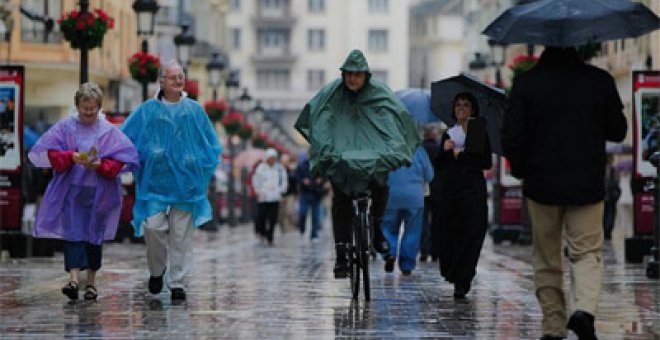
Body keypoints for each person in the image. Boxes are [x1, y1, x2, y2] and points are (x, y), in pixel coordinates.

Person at [502, 46, 627, 340]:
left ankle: (553, 326)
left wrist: (522, 169)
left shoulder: (527, 84)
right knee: (586, 254)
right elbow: (618, 130)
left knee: (547, 257)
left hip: (541, 185)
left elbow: (511, 136)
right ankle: (583, 311)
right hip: (587, 184)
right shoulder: (599, 80)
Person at [295, 49, 419, 279]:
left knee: (381, 186)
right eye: (349, 74)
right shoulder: (332, 94)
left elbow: (393, 117)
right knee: (340, 201)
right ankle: (341, 254)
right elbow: (320, 118)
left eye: (358, 75)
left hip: (373, 158)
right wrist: (326, 150)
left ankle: (378, 232)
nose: (353, 79)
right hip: (341, 159)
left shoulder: (379, 93)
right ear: (343, 75)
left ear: (366, 76)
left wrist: (394, 149)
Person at [28, 82, 139, 300]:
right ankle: (73, 280)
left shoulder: (109, 131)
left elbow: (121, 159)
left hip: (99, 194)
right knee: (72, 235)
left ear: (99, 107)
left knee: (93, 238)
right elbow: (52, 153)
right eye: (84, 107)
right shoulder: (65, 127)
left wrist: (100, 165)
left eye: (93, 108)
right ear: (77, 105)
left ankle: (91, 283)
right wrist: (70, 156)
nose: (88, 112)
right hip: (73, 191)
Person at [121, 61, 222, 301]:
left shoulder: (194, 111)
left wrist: (194, 160)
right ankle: (157, 271)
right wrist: (144, 154)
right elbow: (125, 137)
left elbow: (210, 143)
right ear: (162, 81)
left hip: (186, 184)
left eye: (181, 76)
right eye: (173, 77)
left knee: (180, 235)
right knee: (153, 227)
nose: (178, 80)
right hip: (155, 183)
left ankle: (178, 282)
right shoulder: (147, 110)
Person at [431, 92, 492, 299]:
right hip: (452, 191)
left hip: (473, 191)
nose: (461, 109)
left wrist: (461, 154)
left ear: (472, 109)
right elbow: (439, 164)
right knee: (453, 232)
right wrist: (445, 151)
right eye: (458, 105)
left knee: (472, 233)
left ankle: (464, 277)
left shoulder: (478, 130)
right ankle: (455, 274)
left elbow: (484, 162)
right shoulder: (450, 132)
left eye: (466, 105)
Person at [382, 145, 434, 276]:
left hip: (391, 194)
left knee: (388, 227)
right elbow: (429, 175)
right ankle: (407, 265)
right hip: (414, 197)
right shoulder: (419, 150)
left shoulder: (388, 147)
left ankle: (390, 253)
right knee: (412, 231)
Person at [252, 148, 288, 245]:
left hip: (275, 197)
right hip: (263, 198)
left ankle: (270, 236)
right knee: (261, 218)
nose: (272, 160)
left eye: (274, 158)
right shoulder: (261, 168)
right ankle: (263, 232)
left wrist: (280, 190)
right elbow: (255, 181)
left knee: (273, 219)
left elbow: (284, 181)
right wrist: (259, 191)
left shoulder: (280, 169)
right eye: (270, 158)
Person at [419, 123, 441, 262]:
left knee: (423, 221)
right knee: (437, 221)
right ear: (434, 134)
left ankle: (424, 251)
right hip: (438, 190)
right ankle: (435, 251)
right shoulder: (439, 149)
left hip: (422, 189)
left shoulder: (419, 150)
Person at [295, 152, 327, 242]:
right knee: (302, 212)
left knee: (315, 216)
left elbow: (326, 175)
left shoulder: (320, 165)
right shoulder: (302, 165)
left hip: (316, 193)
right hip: (305, 193)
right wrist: (303, 180)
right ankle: (302, 229)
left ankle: (314, 235)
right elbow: (297, 176)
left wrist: (321, 179)